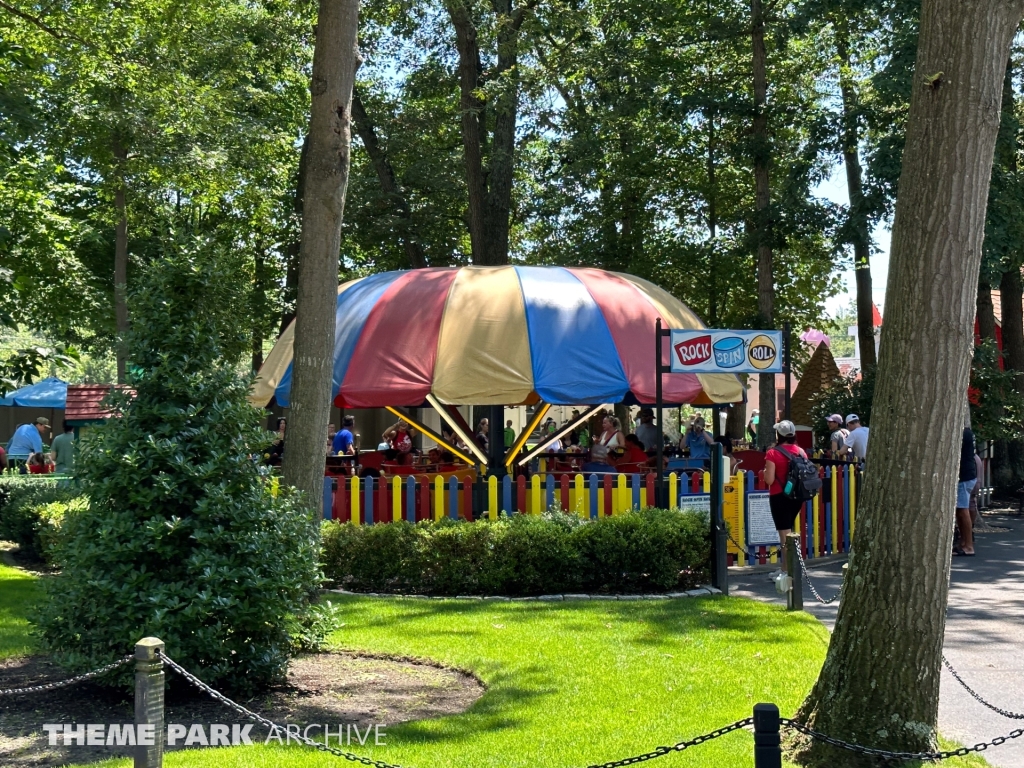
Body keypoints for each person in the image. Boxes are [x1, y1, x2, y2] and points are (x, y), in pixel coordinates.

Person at [762, 420, 807, 577]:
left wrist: (764, 472)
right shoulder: (801, 452)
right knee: (789, 532)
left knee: (784, 535)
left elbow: (769, 480)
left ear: (778, 435)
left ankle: (788, 571)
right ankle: (788, 568)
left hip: (779, 497)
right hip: (796, 497)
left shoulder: (773, 453)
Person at [955, 421, 977, 556]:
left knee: (963, 511)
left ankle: (968, 546)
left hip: (964, 477)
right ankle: (963, 543)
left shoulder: (963, 434)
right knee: (960, 511)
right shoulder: (968, 433)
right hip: (967, 475)